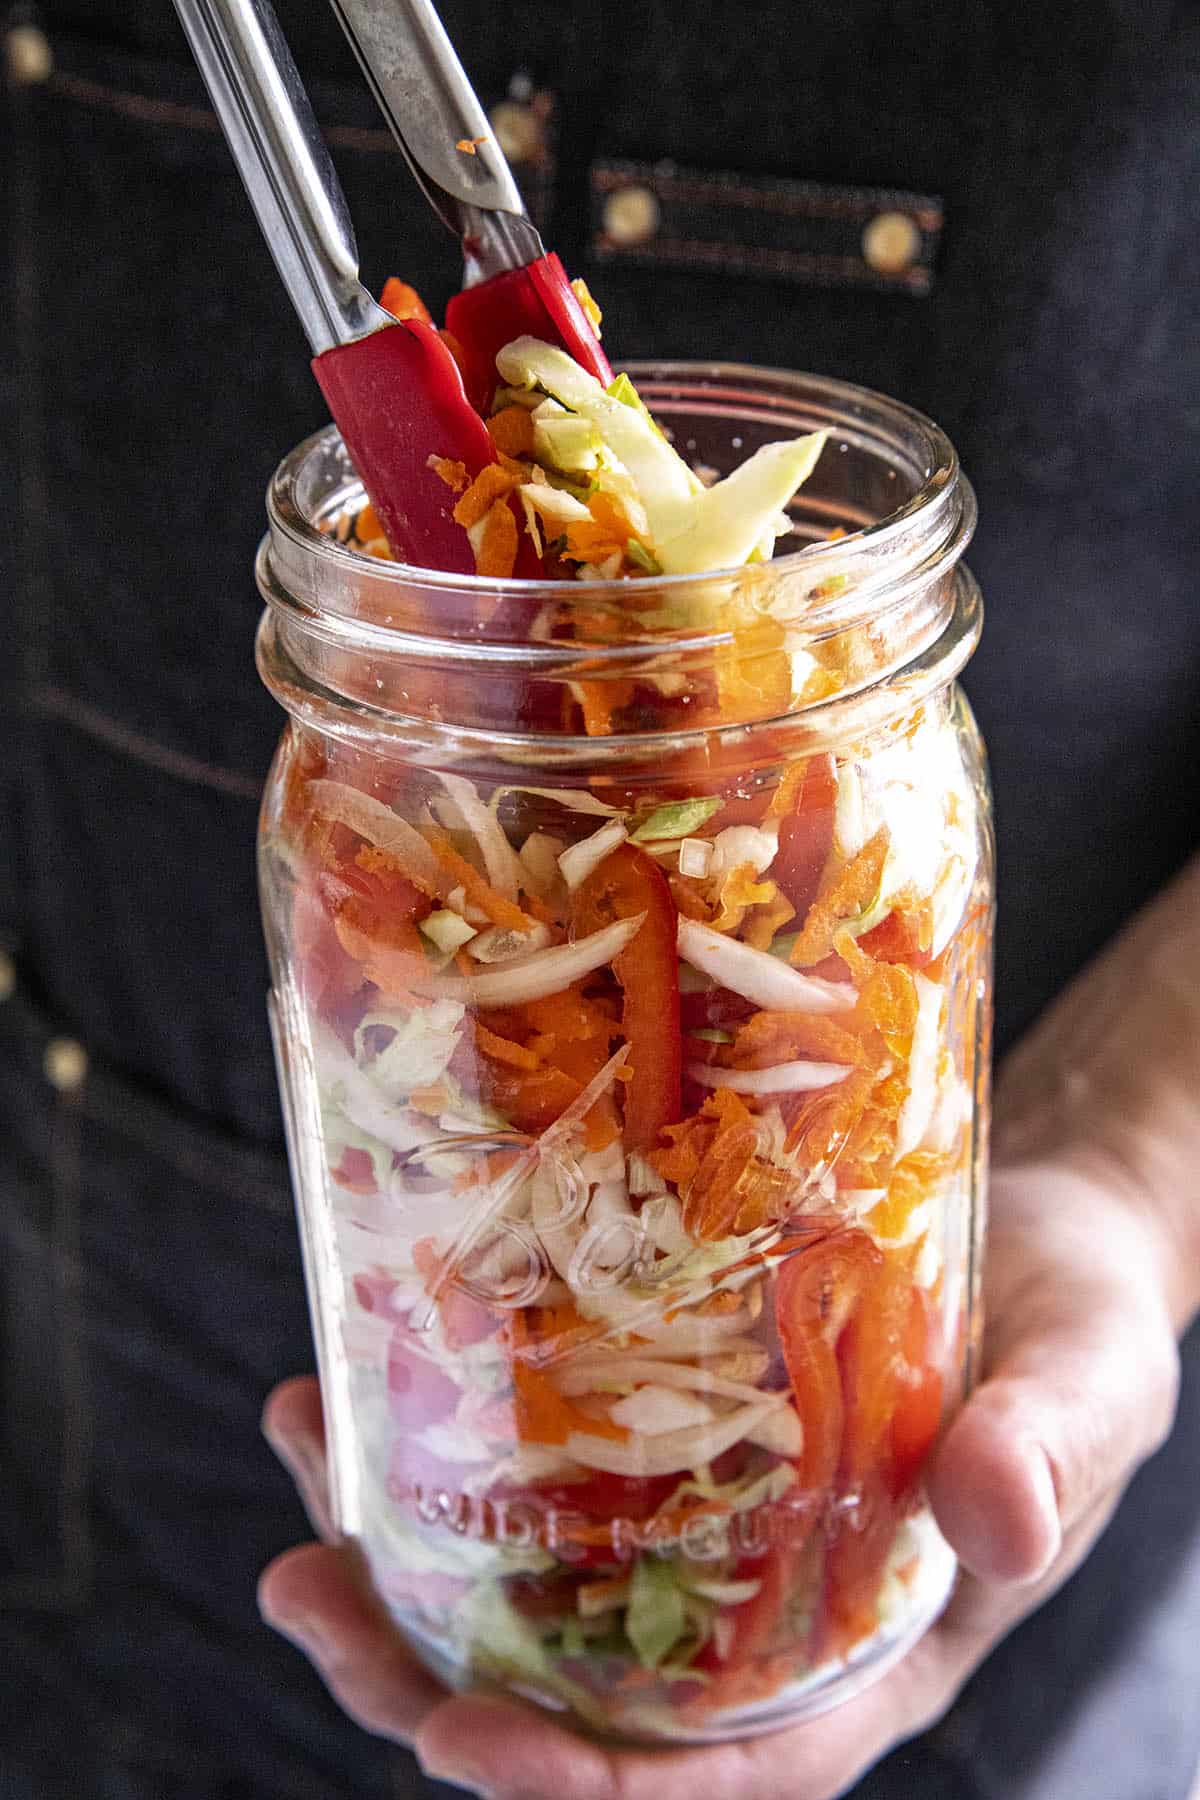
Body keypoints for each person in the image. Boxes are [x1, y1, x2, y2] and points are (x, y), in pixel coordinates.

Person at [1, 2, 1195, 1797]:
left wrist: (1130, 1156)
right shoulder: (351, 786)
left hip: (902, 1514)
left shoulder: (890, 770)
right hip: (106, 1323)